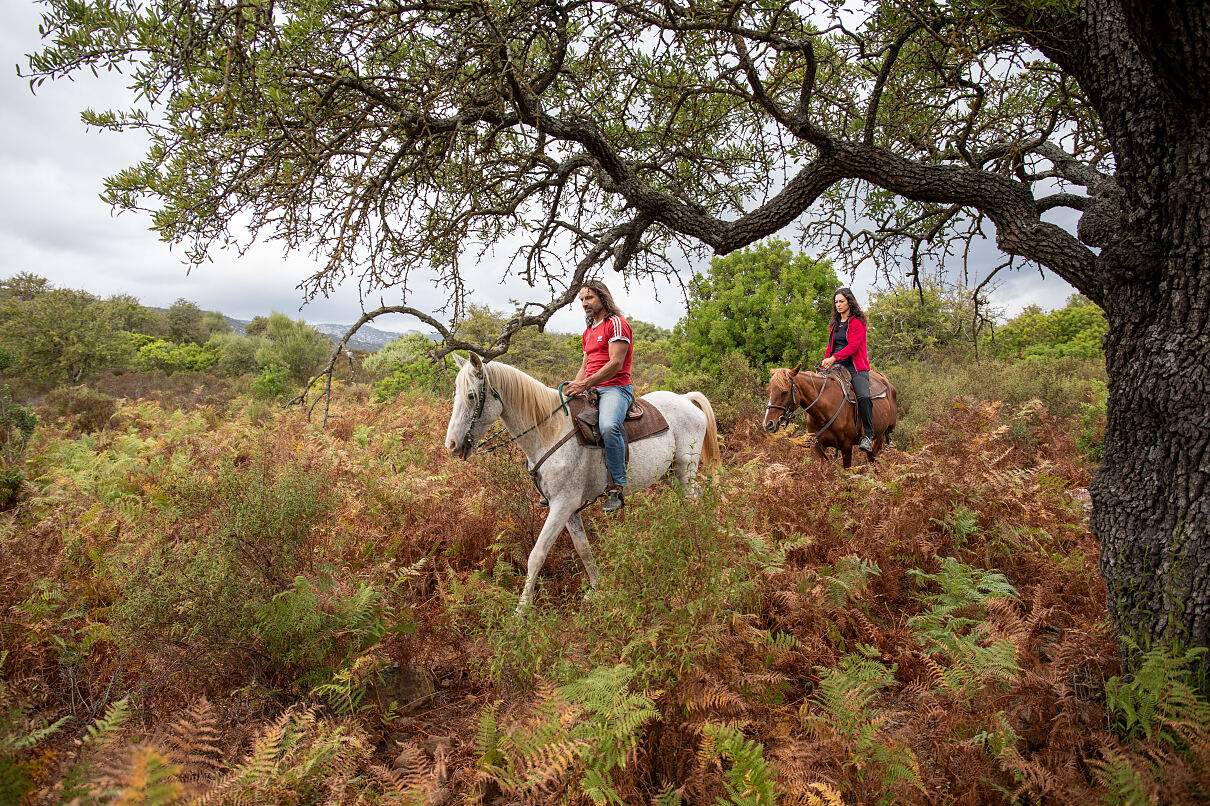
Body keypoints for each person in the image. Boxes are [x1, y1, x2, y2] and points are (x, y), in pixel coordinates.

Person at [565, 280, 634, 513]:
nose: (584, 303)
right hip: (591, 388)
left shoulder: (616, 324)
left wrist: (585, 383)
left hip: (616, 387)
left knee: (607, 426)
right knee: (563, 420)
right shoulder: (588, 331)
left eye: (589, 298)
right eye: (582, 299)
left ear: (603, 298)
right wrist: (575, 386)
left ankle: (616, 489)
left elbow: (615, 363)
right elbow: (586, 366)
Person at [820, 287, 876, 454]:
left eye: (841, 301)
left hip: (856, 367)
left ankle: (868, 435)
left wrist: (834, 358)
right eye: (836, 302)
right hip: (836, 366)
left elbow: (853, 346)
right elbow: (830, 346)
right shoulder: (834, 324)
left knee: (864, 396)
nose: (838, 305)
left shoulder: (858, 322)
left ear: (849, 302)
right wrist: (825, 363)